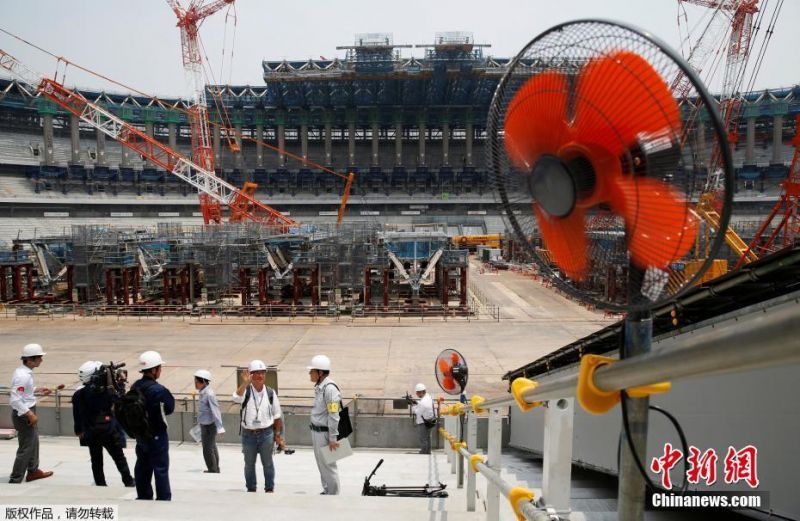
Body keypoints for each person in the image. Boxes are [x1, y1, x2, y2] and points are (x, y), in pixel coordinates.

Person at [72, 361, 134, 487]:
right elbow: (118, 400)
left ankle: (100, 483)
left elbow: (76, 415)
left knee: (96, 461)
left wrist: (78, 431)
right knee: (119, 457)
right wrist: (120, 385)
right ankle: (128, 480)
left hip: (90, 433)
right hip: (108, 431)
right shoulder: (104, 393)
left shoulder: (78, 394)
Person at [232, 360, 283, 493]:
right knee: (249, 465)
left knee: (268, 464)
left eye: (262, 373)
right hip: (248, 434)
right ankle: (251, 488)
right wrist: (245, 383)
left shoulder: (270, 393)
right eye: (256, 373)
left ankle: (269, 488)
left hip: (266, 434)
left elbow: (277, 416)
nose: (260, 376)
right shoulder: (246, 391)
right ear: (250, 375)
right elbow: (236, 398)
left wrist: (278, 436)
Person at [131, 350, 175, 501]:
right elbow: (170, 407)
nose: (160, 371)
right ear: (154, 370)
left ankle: (143, 496)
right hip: (157, 434)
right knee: (160, 468)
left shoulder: (135, 387)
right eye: (159, 368)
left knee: (142, 466)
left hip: (141, 434)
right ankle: (163, 498)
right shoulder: (158, 390)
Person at [8, 343, 55, 484]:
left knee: (33, 443)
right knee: (26, 447)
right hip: (24, 415)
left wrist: (37, 390)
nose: (41, 360)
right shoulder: (23, 376)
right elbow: (15, 400)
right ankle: (16, 478)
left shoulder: (24, 372)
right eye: (39, 357)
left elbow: (24, 393)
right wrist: (30, 414)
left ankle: (33, 471)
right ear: (30, 360)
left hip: (27, 412)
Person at [308, 354, 341, 495]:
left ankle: (333, 494)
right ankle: (326, 489)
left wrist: (333, 438)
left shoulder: (330, 389)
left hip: (326, 434)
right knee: (321, 464)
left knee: (329, 466)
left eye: (312, 371)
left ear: (320, 373)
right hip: (317, 432)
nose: (310, 373)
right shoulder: (320, 387)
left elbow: (334, 415)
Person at [194, 369, 224, 473]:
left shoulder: (209, 394)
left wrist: (220, 427)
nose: (195, 384)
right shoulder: (203, 393)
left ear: (203, 381)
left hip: (209, 425)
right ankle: (215, 468)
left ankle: (213, 469)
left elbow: (215, 410)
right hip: (204, 424)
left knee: (207, 448)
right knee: (211, 446)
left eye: (196, 382)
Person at [411, 383, 435, 454]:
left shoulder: (423, 402)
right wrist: (417, 402)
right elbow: (422, 405)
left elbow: (417, 412)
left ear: (421, 392)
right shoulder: (428, 397)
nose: (417, 394)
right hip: (429, 420)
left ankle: (424, 451)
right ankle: (428, 451)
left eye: (417, 393)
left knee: (423, 438)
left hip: (423, 422)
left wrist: (413, 406)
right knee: (428, 437)